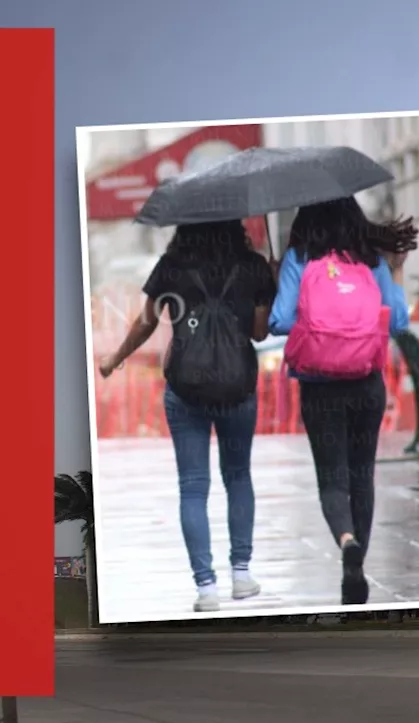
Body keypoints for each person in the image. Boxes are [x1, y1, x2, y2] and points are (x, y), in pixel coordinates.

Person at [99, 220, 275, 613]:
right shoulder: (253, 266)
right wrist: (270, 284)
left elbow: (146, 322)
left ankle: (206, 587)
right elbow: (261, 334)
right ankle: (242, 575)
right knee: (238, 477)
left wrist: (115, 358)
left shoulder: (172, 265)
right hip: (238, 386)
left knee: (193, 487)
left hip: (186, 387)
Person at [269, 196, 414, 605]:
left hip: (319, 386)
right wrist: (397, 269)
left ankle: (346, 540)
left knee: (332, 478)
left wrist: (279, 278)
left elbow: (279, 322)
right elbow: (398, 321)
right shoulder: (370, 259)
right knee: (362, 476)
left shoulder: (300, 258)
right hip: (367, 383)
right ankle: (358, 566)